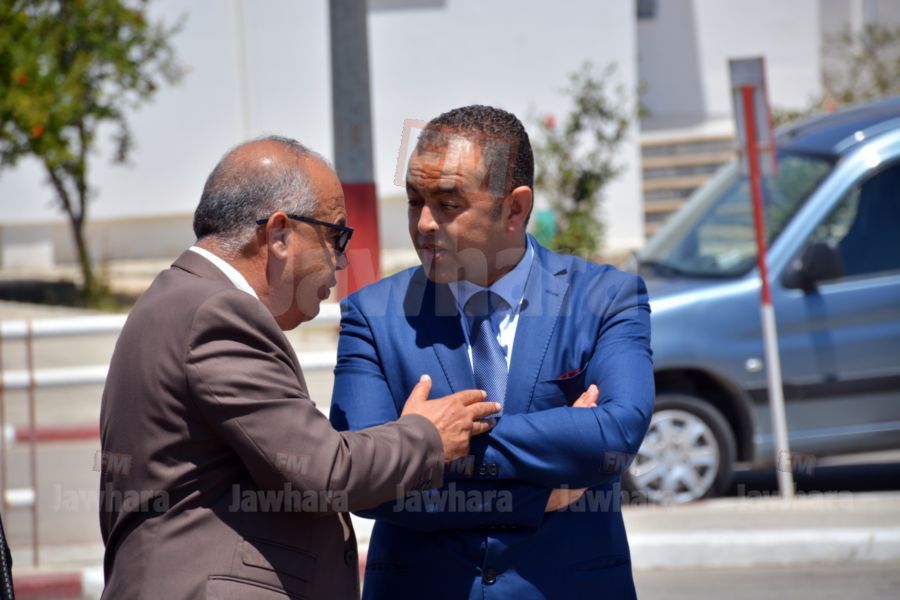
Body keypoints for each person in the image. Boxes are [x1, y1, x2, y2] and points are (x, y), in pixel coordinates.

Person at [98, 136, 500, 599]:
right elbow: (321, 471)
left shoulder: (179, 299)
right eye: (336, 236)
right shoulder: (217, 313)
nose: (342, 261)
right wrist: (427, 435)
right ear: (279, 234)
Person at [330, 105, 654, 599]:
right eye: (414, 201)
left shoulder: (605, 298)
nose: (424, 224)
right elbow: (362, 480)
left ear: (515, 210)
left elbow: (615, 437)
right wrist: (537, 492)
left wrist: (423, 441)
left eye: (448, 204)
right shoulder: (372, 315)